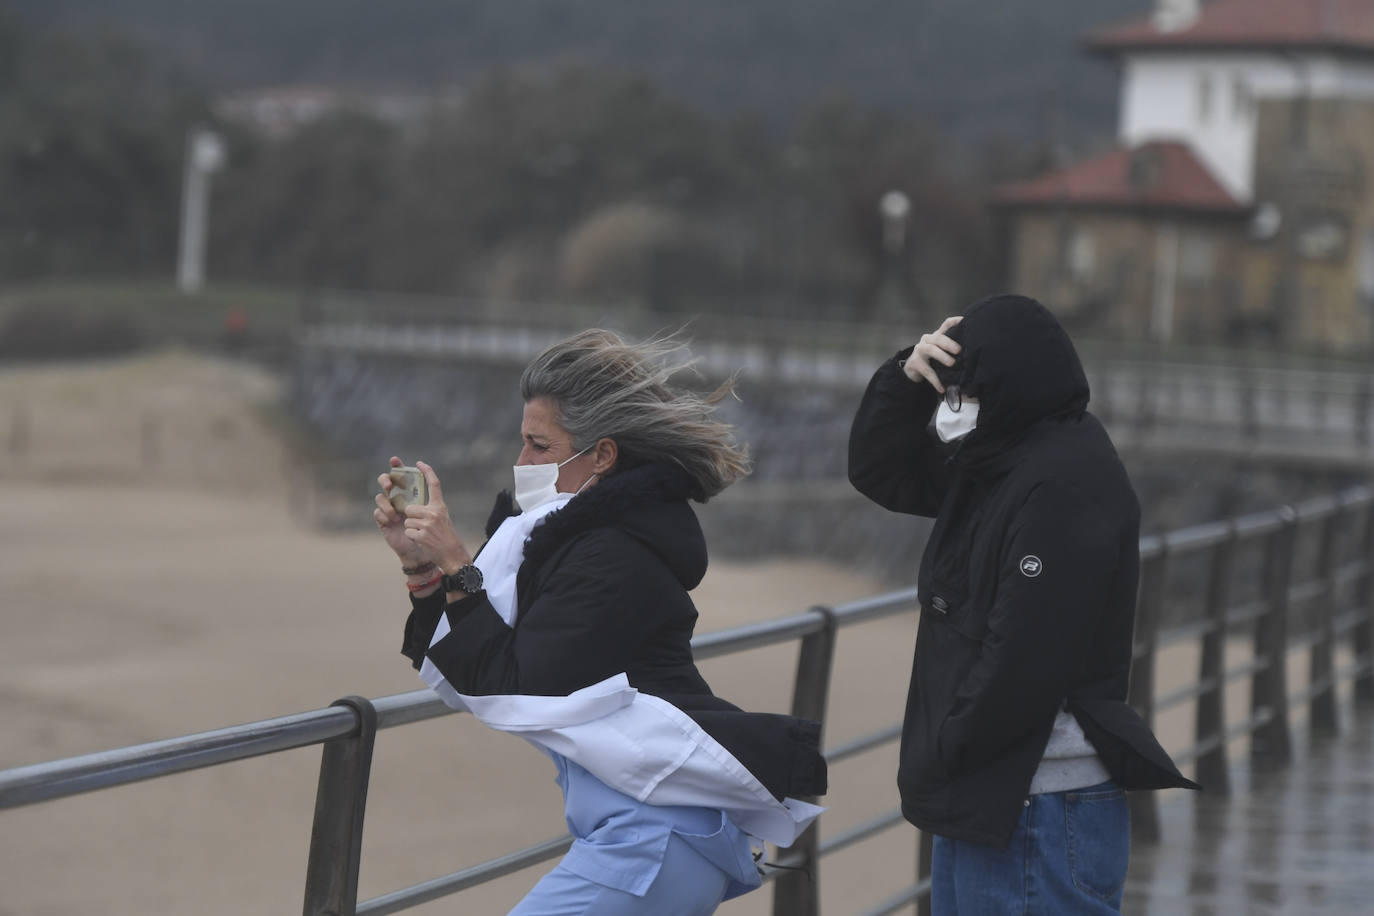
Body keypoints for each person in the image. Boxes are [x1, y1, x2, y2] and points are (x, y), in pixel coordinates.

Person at [374, 329, 827, 916]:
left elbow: (515, 682)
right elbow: (474, 656)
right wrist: (423, 568)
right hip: (648, 832)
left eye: (540, 446)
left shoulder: (613, 554)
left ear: (603, 456)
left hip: (653, 838)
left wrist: (458, 562)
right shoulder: (576, 541)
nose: (522, 463)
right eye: (522, 443)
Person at [847, 294, 1198, 914]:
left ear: (1009, 385)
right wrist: (908, 378)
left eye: (967, 393)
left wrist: (948, 745)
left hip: (1039, 803)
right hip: (994, 793)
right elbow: (881, 471)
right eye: (952, 394)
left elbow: (1024, 656)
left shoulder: (1064, 479)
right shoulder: (999, 457)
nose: (956, 409)